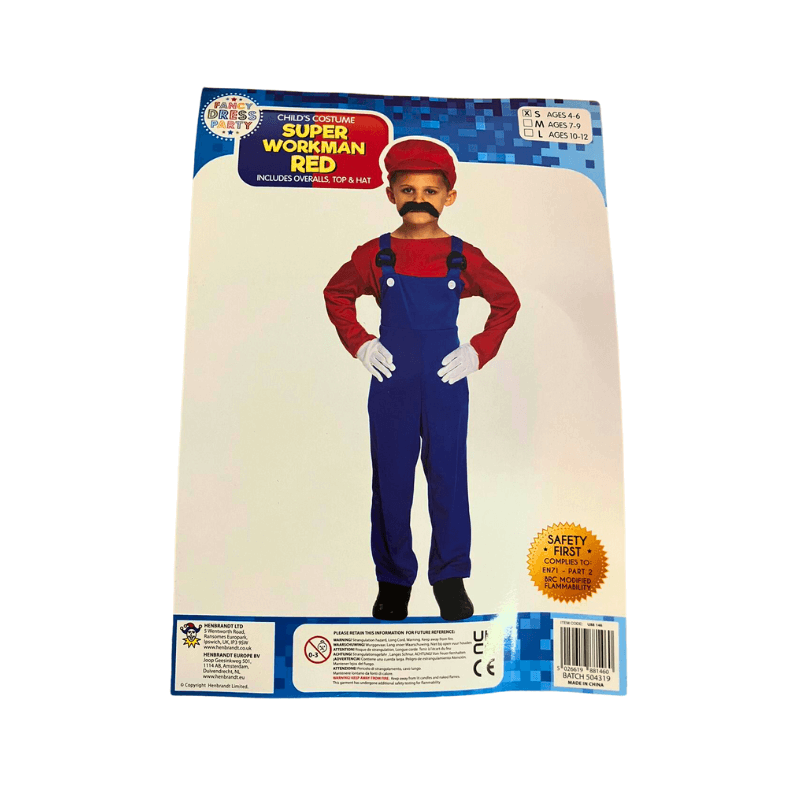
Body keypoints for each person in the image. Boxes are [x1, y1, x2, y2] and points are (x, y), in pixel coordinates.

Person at [323, 138, 520, 621]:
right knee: (391, 481)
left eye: (430, 191)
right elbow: (336, 294)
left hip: (446, 380)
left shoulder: (462, 256)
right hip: (391, 379)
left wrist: (478, 351)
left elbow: (507, 301)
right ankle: (393, 583)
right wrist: (361, 343)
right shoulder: (375, 255)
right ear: (390, 193)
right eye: (407, 189)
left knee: (448, 478)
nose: (419, 199)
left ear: (449, 197)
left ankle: (450, 580)